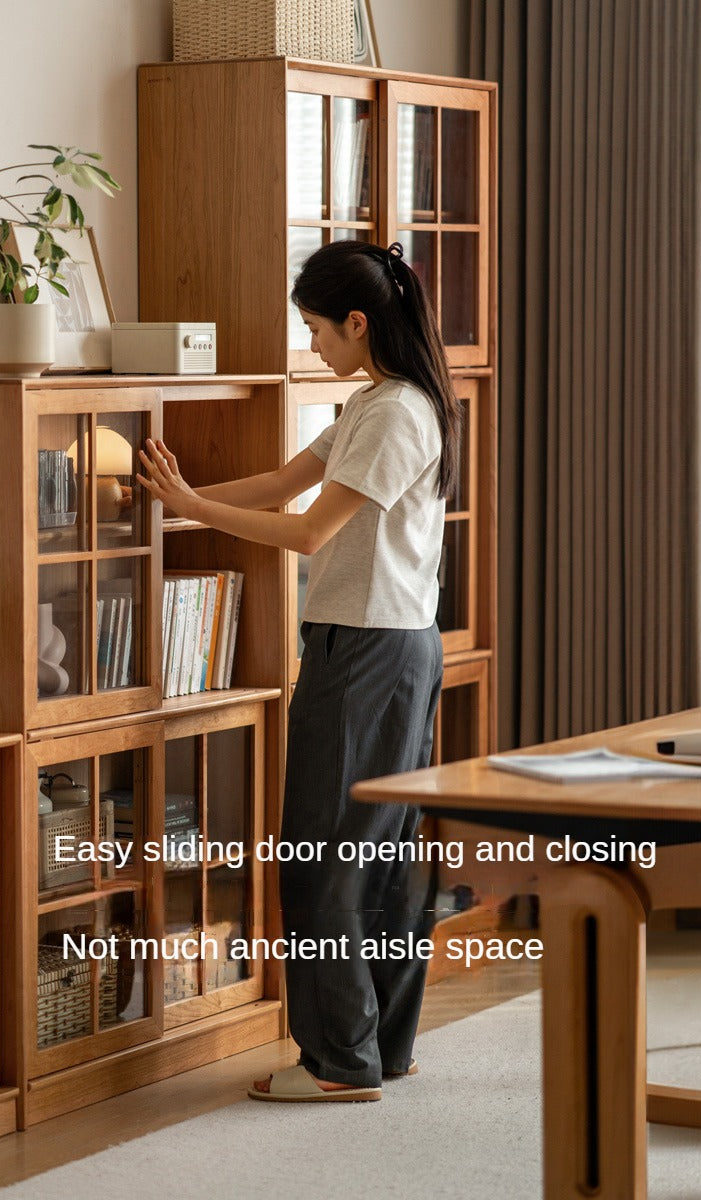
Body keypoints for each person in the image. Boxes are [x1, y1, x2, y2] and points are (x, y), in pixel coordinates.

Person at [136, 239, 461, 1102]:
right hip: (388, 647)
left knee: (327, 857)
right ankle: (380, 1048)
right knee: (379, 857)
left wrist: (199, 511)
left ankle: (337, 1062)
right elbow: (283, 483)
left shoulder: (395, 414)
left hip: (366, 653)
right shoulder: (379, 403)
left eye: (316, 329)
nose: (312, 345)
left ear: (359, 323)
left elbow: (311, 533)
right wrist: (185, 499)